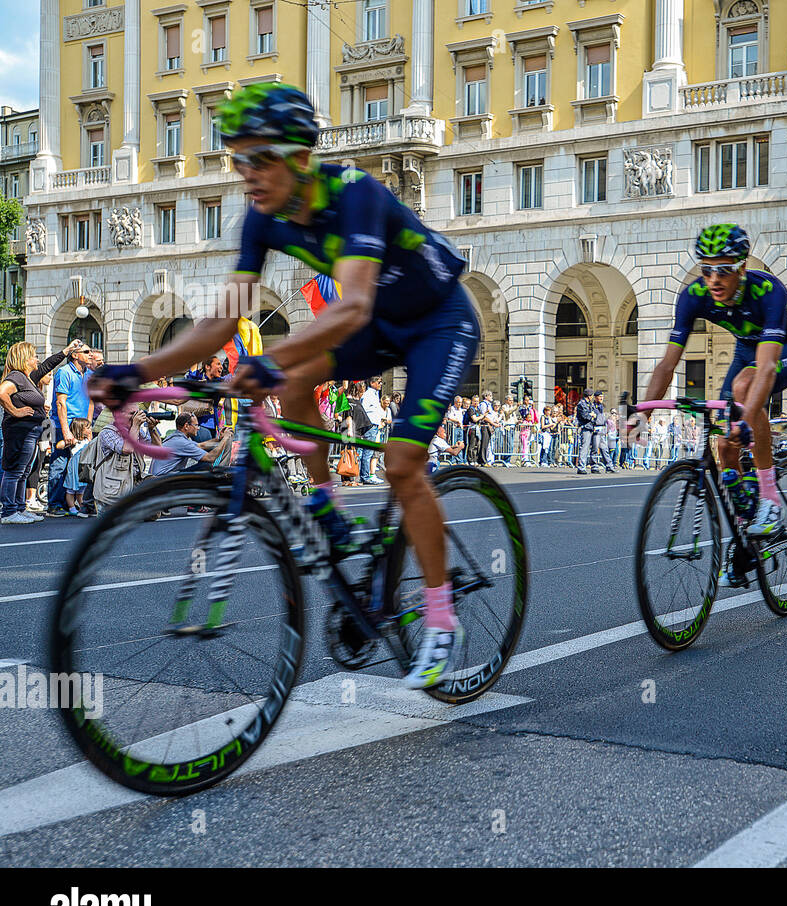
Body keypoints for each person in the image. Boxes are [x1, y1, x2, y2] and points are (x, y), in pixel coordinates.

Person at [91, 82, 478, 691]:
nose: (246, 174)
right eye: (237, 160)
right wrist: (137, 372)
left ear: (300, 157)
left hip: (438, 322)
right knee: (297, 377)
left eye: (258, 158)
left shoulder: (356, 195)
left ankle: (438, 615)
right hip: (379, 322)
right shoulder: (263, 219)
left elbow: (348, 307)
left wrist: (267, 363)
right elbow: (221, 320)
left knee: (403, 463)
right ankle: (326, 507)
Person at [641, 224, 787, 566]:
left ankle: (770, 497)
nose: (714, 279)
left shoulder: (768, 291)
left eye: (724, 269)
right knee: (722, 445)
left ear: (742, 268)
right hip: (745, 351)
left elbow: (764, 370)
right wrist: (642, 412)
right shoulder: (694, 296)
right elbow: (667, 363)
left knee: (745, 390)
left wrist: (746, 421)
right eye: (706, 269)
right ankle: (747, 529)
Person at [1, 339, 86, 524]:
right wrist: (15, 411)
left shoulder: (28, 378)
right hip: (19, 431)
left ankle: (19, 508)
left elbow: (49, 364)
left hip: (31, 431)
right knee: (14, 471)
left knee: (23, 472)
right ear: (24, 358)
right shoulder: (15, 376)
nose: (37, 359)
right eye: (33, 356)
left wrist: (67, 350)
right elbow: (1, 393)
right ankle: (8, 512)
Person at [46, 339, 97, 517]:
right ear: (75, 355)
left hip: (82, 425)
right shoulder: (64, 372)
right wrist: (66, 430)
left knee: (79, 466)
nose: (90, 354)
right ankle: (54, 505)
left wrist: (88, 426)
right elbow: (61, 403)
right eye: (86, 351)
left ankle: (72, 504)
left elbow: (91, 401)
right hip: (64, 423)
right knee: (60, 463)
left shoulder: (89, 375)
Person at [150, 412, 234, 478]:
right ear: (186, 426)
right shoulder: (181, 442)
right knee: (205, 466)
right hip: (162, 480)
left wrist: (219, 438)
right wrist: (226, 438)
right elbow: (210, 458)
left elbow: (201, 446)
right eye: (196, 425)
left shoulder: (177, 437)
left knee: (203, 465)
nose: (198, 428)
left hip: (162, 477)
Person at [359, 375, 384, 484]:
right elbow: (363, 410)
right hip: (370, 426)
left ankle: (365, 475)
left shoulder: (374, 394)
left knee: (368, 452)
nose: (380, 384)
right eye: (379, 382)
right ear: (372, 383)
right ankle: (365, 476)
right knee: (367, 453)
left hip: (374, 426)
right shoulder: (368, 395)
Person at [575, 388, 599, 475]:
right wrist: (591, 415)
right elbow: (585, 416)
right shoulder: (581, 404)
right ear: (589, 396)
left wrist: (593, 415)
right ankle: (581, 467)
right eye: (592, 395)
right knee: (584, 447)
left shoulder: (590, 404)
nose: (592, 397)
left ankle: (594, 466)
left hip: (592, 427)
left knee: (594, 448)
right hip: (585, 427)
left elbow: (596, 414)